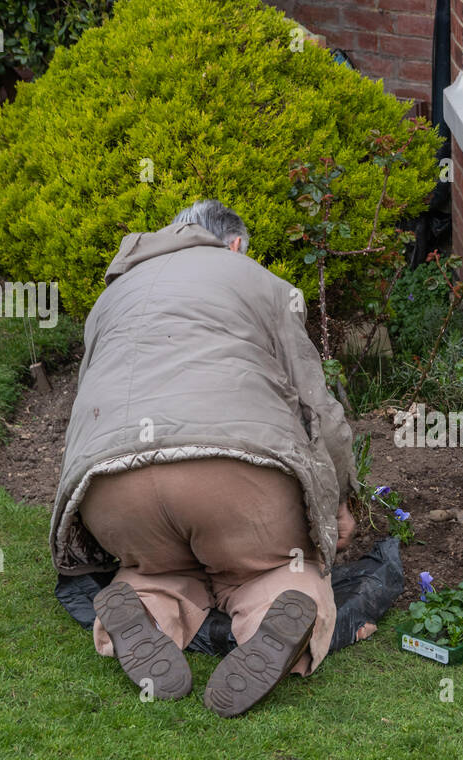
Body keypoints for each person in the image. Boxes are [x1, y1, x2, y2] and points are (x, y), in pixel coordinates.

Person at [50, 199, 359, 716]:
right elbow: (317, 407)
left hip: (111, 488)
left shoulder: (111, 299)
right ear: (234, 244)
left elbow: (89, 407)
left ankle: (144, 608)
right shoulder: (256, 280)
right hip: (232, 478)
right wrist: (340, 499)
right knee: (276, 568)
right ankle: (274, 617)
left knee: (154, 567)